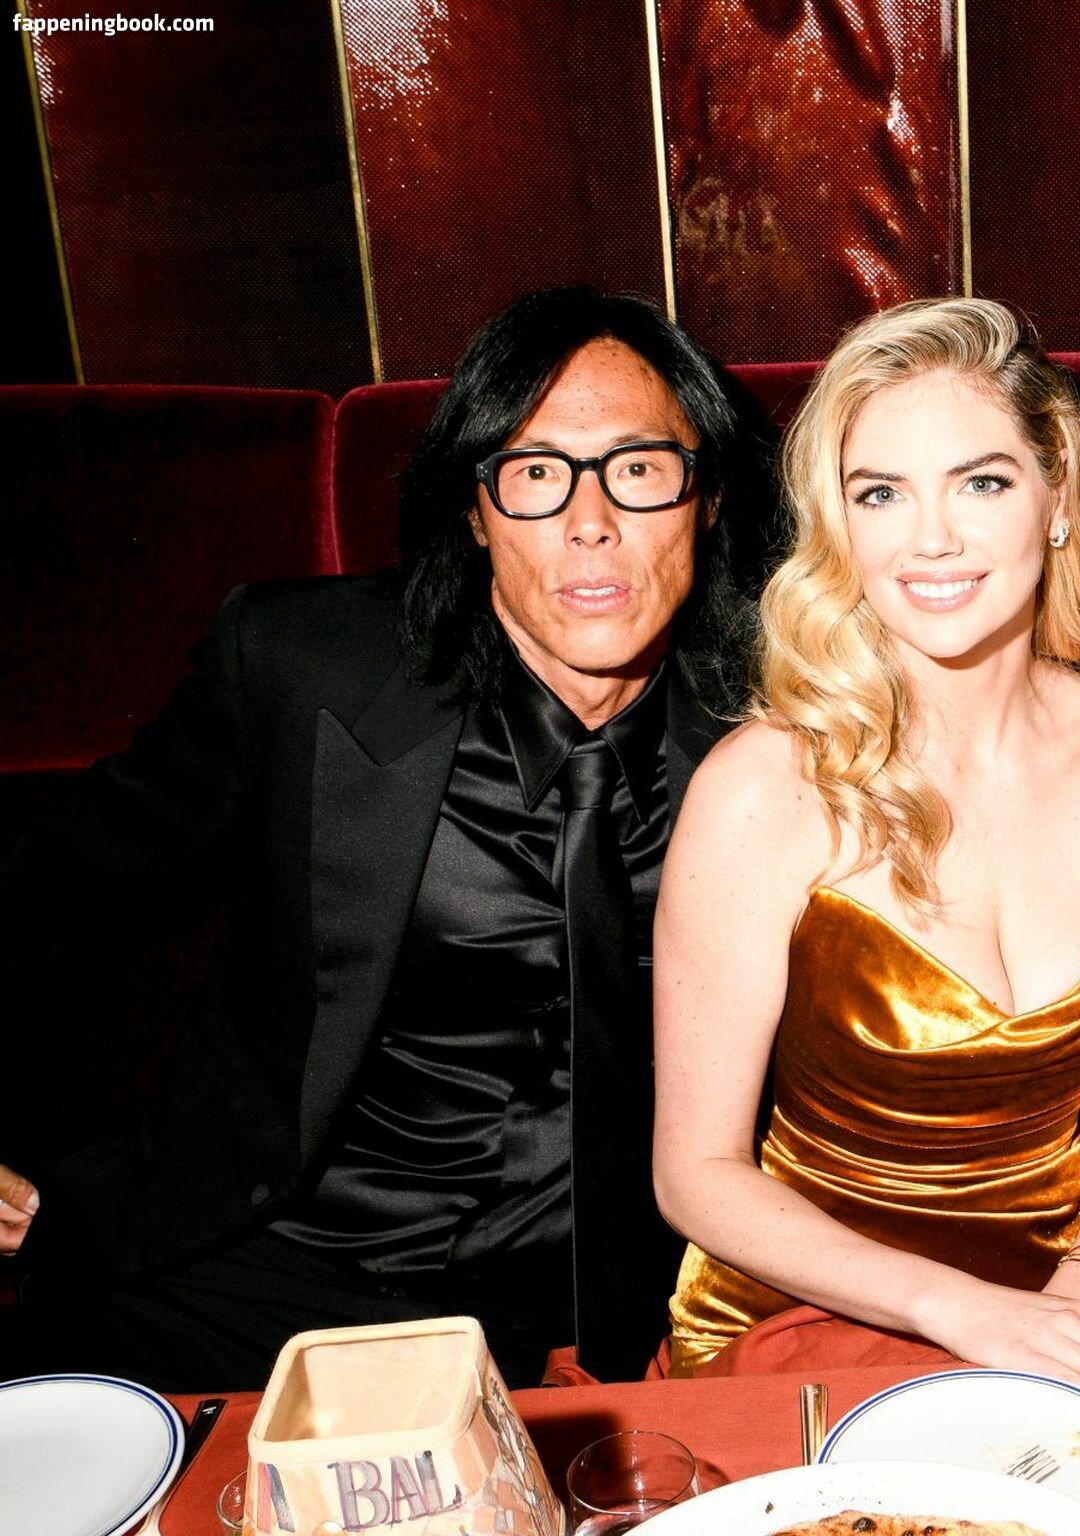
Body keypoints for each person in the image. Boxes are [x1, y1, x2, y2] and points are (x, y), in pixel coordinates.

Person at [0, 286, 761, 1388]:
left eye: (639, 469)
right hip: (273, 1265)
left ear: (708, 497)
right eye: (535, 473)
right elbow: (58, 898)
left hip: (626, 1298)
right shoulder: (303, 669)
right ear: (475, 510)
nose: (590, 521)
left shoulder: (789, 723)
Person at [650, 297, 1080, 1411]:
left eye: (981, 482)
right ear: (840, 530)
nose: (932, 540)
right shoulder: (763, 791)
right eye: (880, 494)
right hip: (815, 1310)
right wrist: (959, 1311)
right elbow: (696, 1174)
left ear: (1058, 495)